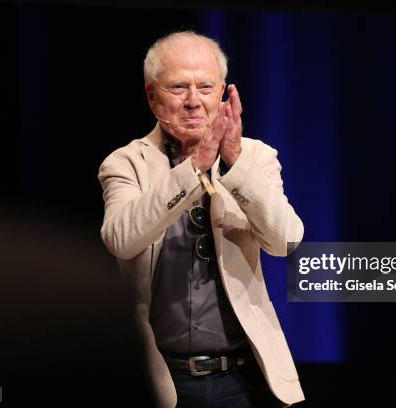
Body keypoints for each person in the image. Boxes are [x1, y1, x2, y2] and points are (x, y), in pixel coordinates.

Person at [97, 31, 305, 408]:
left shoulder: (254, 157)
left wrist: (235, 162)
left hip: (245, 379)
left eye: (205, 87)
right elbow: (120, 239)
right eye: (178, 87)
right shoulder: (126, 162)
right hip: (165, 381)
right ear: (151, 96)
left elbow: (286, 241)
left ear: (222, 93)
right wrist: (194, 168)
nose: (193, 101)